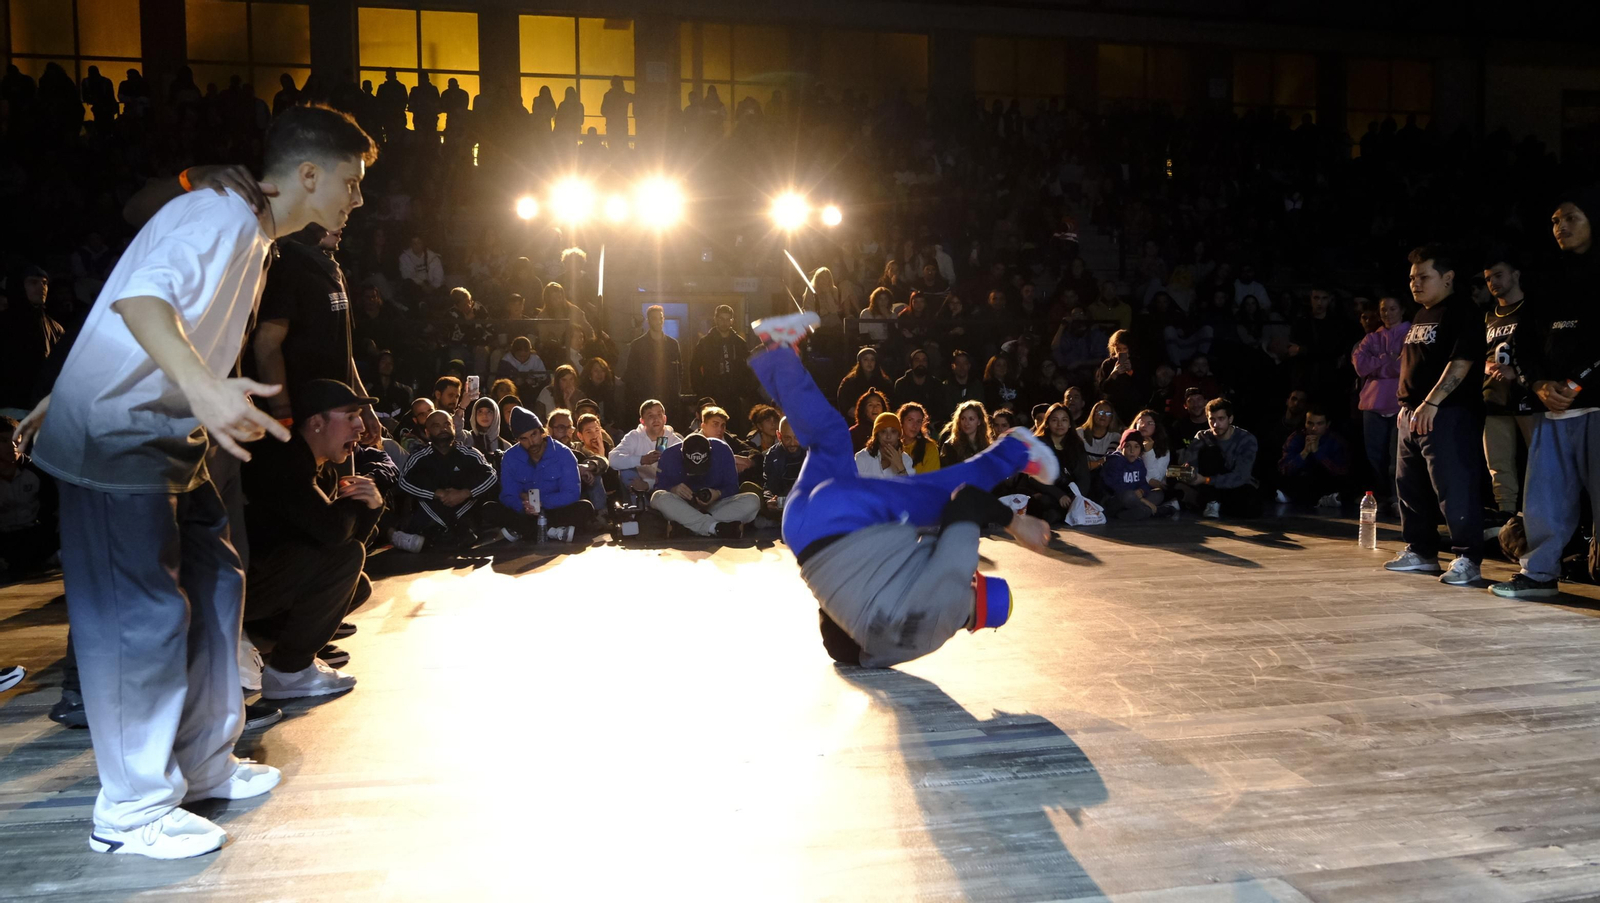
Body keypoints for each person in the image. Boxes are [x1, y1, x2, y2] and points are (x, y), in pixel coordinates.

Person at [15, 104, 375, 859]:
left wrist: (96, 377)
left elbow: (146, 297)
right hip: (122, 433)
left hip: (171, 426)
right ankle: (132, 809)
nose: (358, 197)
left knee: (218, 583)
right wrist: (205, 390)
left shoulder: (257, 237)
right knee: (139, 618)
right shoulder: (219, 213)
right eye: (352, 180)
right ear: (309, 174)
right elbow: (140, 297)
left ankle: (205, 758)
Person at [746, 311, 1057, 669]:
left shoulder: (957, 583)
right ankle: (779, 351)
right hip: (801, 533)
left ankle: (1015, 450)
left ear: (977, 586)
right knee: (830, 437)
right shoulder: (912, 648)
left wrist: (1017, 525)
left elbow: (967, 502)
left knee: (940, 494)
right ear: (972, 626)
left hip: (842, 522)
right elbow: (836, 643)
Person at [1490, 189, 1600, 599]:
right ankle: (1538, 575)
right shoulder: (1548, 278)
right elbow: (1525, 344)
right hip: (1553, 408)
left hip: (1593, 404)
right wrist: (1537, 384)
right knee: (1544, 500)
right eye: (1555, 220)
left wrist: (1574, 384)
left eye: (1571, 217)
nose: (1561, 226)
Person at [239, 380, 377, 701]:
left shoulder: (322, 470)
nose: (361, 426)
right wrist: (357, 501)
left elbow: (346, 539)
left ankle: (277, 647)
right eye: (351, 416)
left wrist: (370, 507)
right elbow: (334, 534)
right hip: (231, 590)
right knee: (345, 560)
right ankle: (289, 671)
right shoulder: (281, 459)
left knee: (358, 583)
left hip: (264, 586)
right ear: (316, 422)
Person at [1383, 246, 1486, 585]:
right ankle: (1422, 551)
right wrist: (1406, 405)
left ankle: (1468, 557)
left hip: (1447, 412)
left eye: (1423, 277)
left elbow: (1463, 360)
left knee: (1454, 486)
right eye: (1412, 278)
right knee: (1410, 485)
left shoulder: (1462, 311)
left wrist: (1432, 402)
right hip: (1412, 413)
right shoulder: (1421, 314)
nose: (1415, 283)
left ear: (1448, 277)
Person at [250, 222, 378, 440]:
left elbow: (344, 351)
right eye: (332, 212)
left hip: (340, 416)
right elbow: (267, 344)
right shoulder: (287, 265)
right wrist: (284, 416)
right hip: (309, 420)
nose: (343, 220)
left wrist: (363, 406)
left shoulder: (333, 269)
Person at [1480, 253, 1539, 519]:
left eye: (1498, 275)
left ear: (1515, 274)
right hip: (1494, 396)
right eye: (1488, 278)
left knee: (1537, 457)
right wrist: (1489, 367)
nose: (1493, 282)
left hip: (1528, 395)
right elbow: (1479, 354)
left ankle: (1538, 509)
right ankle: (1506, 513)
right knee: (1498, 461)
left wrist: (1518, 372)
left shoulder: (1532, 309)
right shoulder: (1488, 316)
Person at [390, 411, 499, 553]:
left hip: (464, 509)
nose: (443, 428)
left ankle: (443, 532)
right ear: (427, 432)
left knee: (479, 504)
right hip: (431, 511)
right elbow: (404, 481)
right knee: (426, 501)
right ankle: (455, 530)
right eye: (436, 426)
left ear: (454, 427)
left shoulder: (470, 454)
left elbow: (491, 476)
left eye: (447, 424)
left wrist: (464, 493)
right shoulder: (419, 458)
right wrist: (438, 494)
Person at [492, 407, 595, 543]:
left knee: (585, 508)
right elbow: (508, 495)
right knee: (490, 509)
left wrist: (542, 503)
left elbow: (572, 493)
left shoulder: (563, 453)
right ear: (518, 440)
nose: (531, 442)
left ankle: (524, 531)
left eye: (533, 435)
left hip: (555, 510)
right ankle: (551, 531)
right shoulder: (510, 458)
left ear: (542, 432)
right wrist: (524, 506)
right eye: (524, 439)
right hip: (525, 512)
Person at [1352, 295, 1408, 506]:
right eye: (1384, 309)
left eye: (1392, 309)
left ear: (1402, 310)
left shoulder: (1410, 333)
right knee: (1375, 456)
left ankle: (1398, 498)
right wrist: (1387, 359)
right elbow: (1360, 366)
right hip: (1373, 404)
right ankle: (1383, 496)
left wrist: (1377, 366)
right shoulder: (1372, 338)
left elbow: (1404, 366)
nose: (1387, 313)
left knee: (1397, 457)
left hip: (1398, 403)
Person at [651, 433, 761, 538]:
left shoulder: (723, 450)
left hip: (713, 507)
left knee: (753, 500)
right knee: (657, 497)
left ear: (710, 453)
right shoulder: (669, 455)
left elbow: (733, 487)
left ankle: (687, 527)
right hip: (682, 506)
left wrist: (717, 494)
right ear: (682, 455)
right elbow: (658, 488)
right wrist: (673, 489)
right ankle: (716, 528)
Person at [1175, 397, 1261, 518]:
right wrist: (1190, 472)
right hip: (1208, 487)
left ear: (1230, 419)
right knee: (1209, 452)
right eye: (1212, 419)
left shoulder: (1246, 439)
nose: (1216, 424)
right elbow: (1189, 463)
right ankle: (1211, 501)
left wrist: (1206, 480)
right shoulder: (1203, 436)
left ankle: (1206, 502)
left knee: (1250, 506)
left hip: (1233, 484)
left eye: (1221, 419)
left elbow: (1241, 475)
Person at [0, 415, 59, 579]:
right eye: (4, 441)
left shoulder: (37, 471)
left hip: (34, 536)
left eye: (16, 440)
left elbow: (53, 508)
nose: (12, 447)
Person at [1027, 402, 1094, 521]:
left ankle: (1061, 514)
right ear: (1047, 423)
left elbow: (1084, 476)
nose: (1059, 424)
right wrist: (1059, 495)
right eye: (1054, 420)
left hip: (1072, 492)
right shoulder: (1038, 443)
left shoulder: (1076, 444)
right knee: (1045, 501)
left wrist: (1076, 497)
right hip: (1049, 492)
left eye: (1064, 420)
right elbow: (1034, 477)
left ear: (1069, 424)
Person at [690, 304, 755, 422]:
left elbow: (749, 368)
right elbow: (694, 368)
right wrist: (702, 392)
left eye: (727, 319)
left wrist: (744, 391)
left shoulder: (739, 343)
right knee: (713, 428)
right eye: (721, 319)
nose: (724, 322)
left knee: (734, 430)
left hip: (734, 396)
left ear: (732, 321)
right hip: (712, 394)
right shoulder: (706, 342)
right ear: (715, 319)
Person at [1276, 406, 1351, 507]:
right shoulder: (1296, 438)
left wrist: (1317, 453)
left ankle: (1323, 499)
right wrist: (1305, 452)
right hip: (1300, 480)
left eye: (1319, 424)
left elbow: (1341, 471)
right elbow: (1283, 468)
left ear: (1327, 425)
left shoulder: (1335, 441)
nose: (1314, 428)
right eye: (1310, 423)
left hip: (1327, 482)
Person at [608, 398, 683, 493]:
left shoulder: (674, 440)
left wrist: (649, 484)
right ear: (642, 421)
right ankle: (638, 505)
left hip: (665, 488)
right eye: (650, 416)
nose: (656, 419)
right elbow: (613, 459)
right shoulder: (635, 436)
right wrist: (642, 459)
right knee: (626, 472)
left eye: (659, 415)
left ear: (664, 419)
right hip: (638, 484)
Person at [1101, 429, 1173, 520]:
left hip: (1134, 500)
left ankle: (1132, 513)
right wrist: (1144, 501)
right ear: (1122, 447)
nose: (1132, 451)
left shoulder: (1138, 462)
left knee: (1158, 494)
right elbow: (1117, 488)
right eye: (1128, 446)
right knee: (1129, 496)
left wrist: (1141, 491)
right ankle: (1153, 510)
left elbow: (1143, 483)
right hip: (1116, 500)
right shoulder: (1115, 461)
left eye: (1136, 447)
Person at [624, 305, 681, 418]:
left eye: (661, 318)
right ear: (648, 320)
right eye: (654, 318)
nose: (659, 321)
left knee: (665, 432)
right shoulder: (638, 345)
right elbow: (632, 373)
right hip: (645, 398)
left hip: (668, 399)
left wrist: (675, 392)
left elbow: (679, 371)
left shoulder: (672, 344)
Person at [855, 413, 914, 477]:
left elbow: (910, 486)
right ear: (877, 435)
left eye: (893, 431)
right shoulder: (862, 457)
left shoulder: (906, 459)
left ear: (898, 436)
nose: (888, 437)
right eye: (883, 431)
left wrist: (900, 466)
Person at [837, 346, 890, 412]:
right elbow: (844, 404)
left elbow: (890, 404)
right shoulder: (849, 382)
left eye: (872, 359)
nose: (869, 362)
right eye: (865, 359)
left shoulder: (884, 382)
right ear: (860, 362)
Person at [939, 399, 991, 467]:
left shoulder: (987, 445)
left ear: (979, 421)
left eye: (971, 419)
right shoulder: (950, 446)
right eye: (963, 418)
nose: (966, 423)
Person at [892, 347, 943, 413]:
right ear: (911, 364)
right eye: (917, 360)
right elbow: (897, 409)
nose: (920, 363)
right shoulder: (901, 384)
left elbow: (940, 411)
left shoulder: (936, 385)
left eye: (924, 360)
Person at [1077, 399, 1121, 473]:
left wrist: (1092, 465)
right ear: (1093, 414)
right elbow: (1077, 462)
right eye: (1101, 412)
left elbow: (1109, 461)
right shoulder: (1079, 433)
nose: (1103, 416)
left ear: (1111, 418)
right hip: (1080, 474)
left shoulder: (1115, 437)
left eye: (1108, 414)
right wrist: (1100, 462)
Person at [897, 403, 940, 473]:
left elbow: (930, 480)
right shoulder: (893, 445)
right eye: (910, 420)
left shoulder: (929, 448)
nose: (915, 426)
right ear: (901, 421)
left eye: (918, 421)